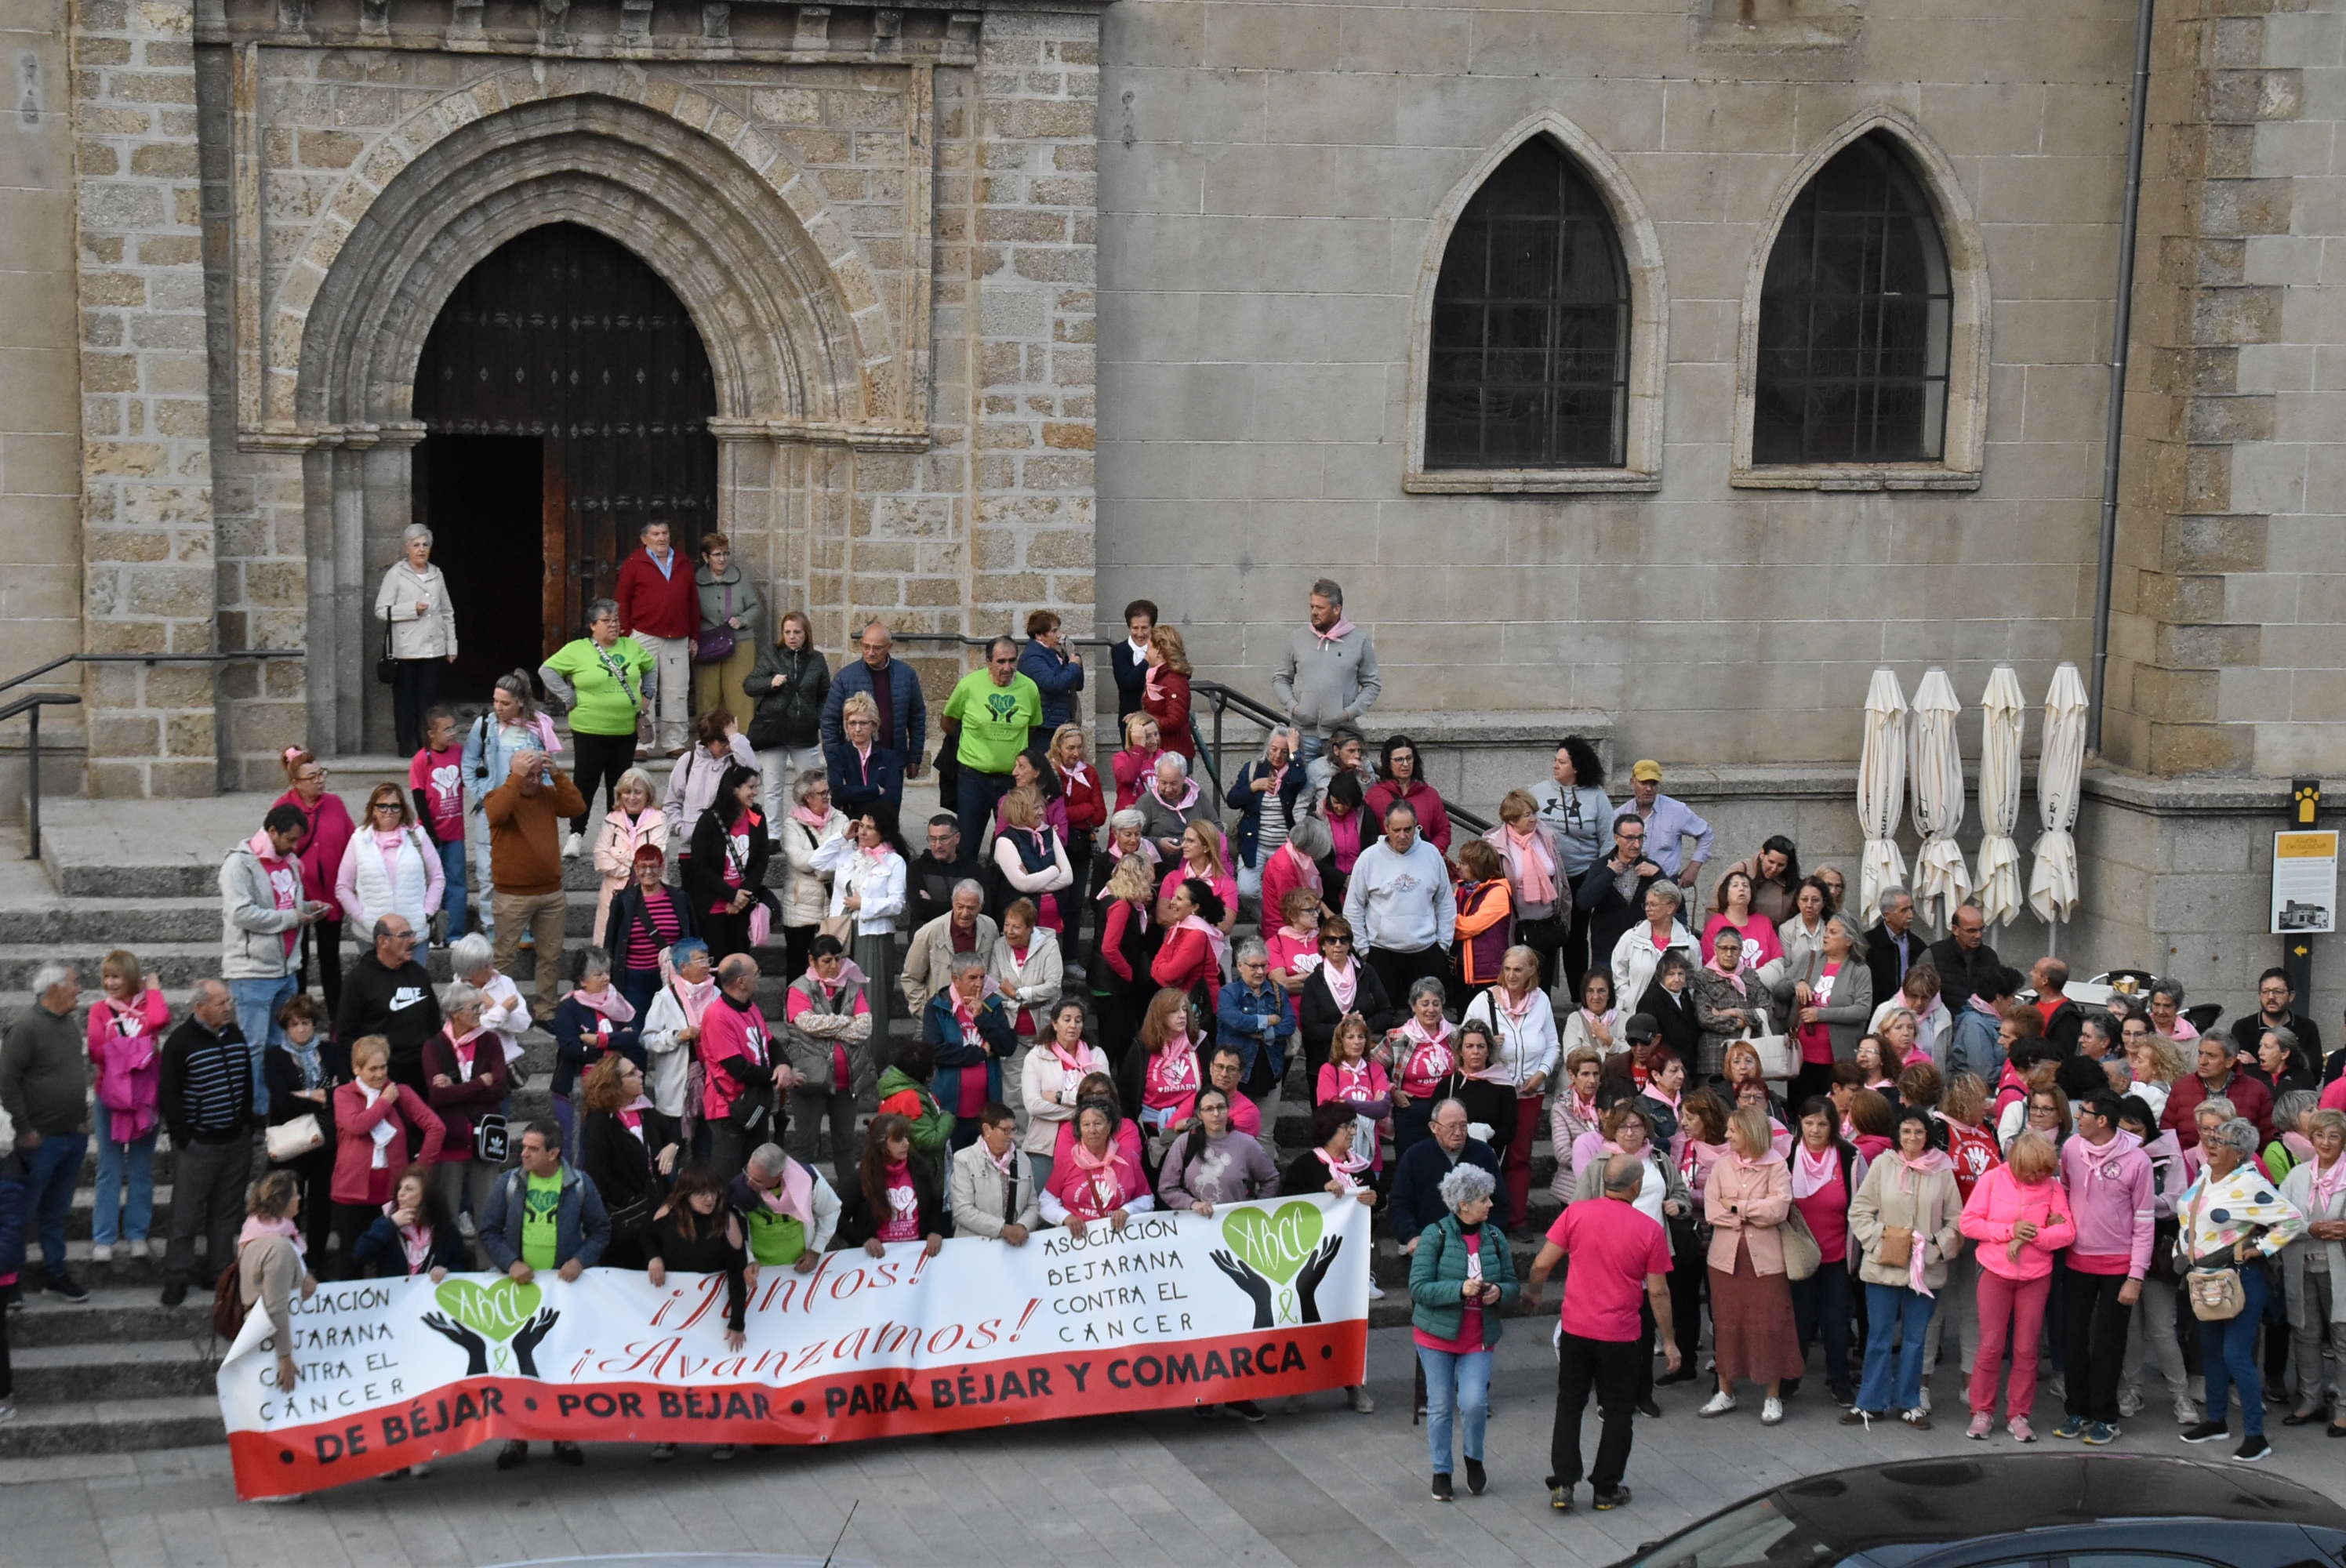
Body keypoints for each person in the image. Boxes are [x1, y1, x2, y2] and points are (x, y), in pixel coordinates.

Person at [1523, 1151, 1678, 1513]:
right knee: (1619, 1410)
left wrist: (1533, 1295)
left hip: (1577, 1329)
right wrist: (1669, 1341)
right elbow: (1657, 1291)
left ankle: (1563, 1483)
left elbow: (1542, 1264)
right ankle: (1606, 1488)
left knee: (1569, 1403)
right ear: (1636, 1186)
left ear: (1605, 1181)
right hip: (1621, 1336)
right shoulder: (1649, 1230)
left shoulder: (1576, 1214)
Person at [2176, 1116, 2307, 1461]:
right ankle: (2216, 1421)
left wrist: (2261, 1248)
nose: (2212, 1144)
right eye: (2212, 1138)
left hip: (2240, 1277)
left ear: (2240, 1152)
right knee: (2212, 1351)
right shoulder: (2206, 1174)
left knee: (2236, 1354)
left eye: (2222, 1142)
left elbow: (2293, 1218)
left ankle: (2255, 1435)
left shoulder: (2250, 1183)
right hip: (2206, 1278)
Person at [481, 1121, 612, 1470]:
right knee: (518, 1364)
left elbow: (601, 1229)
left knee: (561, 1360)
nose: (523, 1153)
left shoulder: (579, 1184)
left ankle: (563, 1434)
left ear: (553, 1153)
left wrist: (580, 1261)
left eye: (532, 1149)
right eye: (523, 1146)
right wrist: (510, 1263)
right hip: (519, 1291)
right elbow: (489, 1230)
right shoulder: (508, 1183)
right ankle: (517, 1437)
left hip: (562, 1293)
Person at [1401, 1162, 1516, 1501]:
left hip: (1478, 1336)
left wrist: (1499, 1292)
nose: (1491, 1205)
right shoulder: (1434, 1236)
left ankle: (1474, 1458)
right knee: (1439, 1406)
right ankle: (1441, 1471)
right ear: (1464, 1205)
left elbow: (1512, 1284)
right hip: (1436, 1337)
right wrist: (1458, 1290)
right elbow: (1418, 1287)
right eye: (1484, 1199)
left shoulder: (1495, 1237)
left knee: (1474, 1402)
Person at [1845, 1108, 1962, 1428]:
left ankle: (1909, 1402)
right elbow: (1859, 1212)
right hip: (1883, 1268)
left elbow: (1956, 1221)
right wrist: (1881, 1244)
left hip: (1924, 1270)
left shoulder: (1942, 1170)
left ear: (1929, 1136)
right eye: (1907, 1131)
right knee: (1879, 1337)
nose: (1912, 1138)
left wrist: (1934, 1247)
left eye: (1919, 1132)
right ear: (1898, 1133)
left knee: (1916, 1338)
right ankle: (1870, 1402)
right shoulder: (1883, 1164)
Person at [1959, 1127, 2077, 1441]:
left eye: (2044, 1170)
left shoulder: (2052, 1187)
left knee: (2027, 1349)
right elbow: (1968, 1223)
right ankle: (1982, 1411)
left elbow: (2067, 1233)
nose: (2039, 1176)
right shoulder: (1993, 1179)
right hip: (1995, 1272)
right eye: (2033, 1170)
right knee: (1990, 1345)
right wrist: (2011, 1230)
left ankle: (2019, 1414)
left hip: (2035, 1277)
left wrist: (2033, 1235)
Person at [2051, 1089, 2155, 1442]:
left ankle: (2106, 1417)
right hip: (2077, 1261)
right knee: (2074, 1340)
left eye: (2084, 1112)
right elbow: (2062, 1194)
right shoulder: (2070, 1149)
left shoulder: (2137, 1161)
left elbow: (2144, 1221)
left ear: (2102, 1121)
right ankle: (2076, 1410)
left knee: (2108, 1344)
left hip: (2118, 1268)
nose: (2077, 1116)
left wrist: (2136, 1276)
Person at [641, 1164, 751, 1461]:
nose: (709, 1200)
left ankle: (722, 1436)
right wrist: (654, 1258)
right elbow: (646, 1235)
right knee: (672, 1374)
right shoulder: (669, 1213)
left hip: (712, 1311)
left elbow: (736, 1273)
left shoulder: (728, 1220)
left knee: (714, 1376)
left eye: (714, 1193)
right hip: (674, 1312)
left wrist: (737, 1322)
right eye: (701, 1194)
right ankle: (670, 1435)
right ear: (686, 1195)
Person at [1701, 1103, 1800, 1425]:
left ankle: (1772, 1396)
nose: (1727, 1135)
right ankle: (1725, 1391)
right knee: (1727, 1324)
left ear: (1750, 1132)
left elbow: (1779, 1210)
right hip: (1724, 1261)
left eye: (1733, 1130)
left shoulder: (1777, 1166)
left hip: (1766, 1263)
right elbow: (1711, 1210)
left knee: (1770, 1325)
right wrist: (1752, 1211)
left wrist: (1738, 1208)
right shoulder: (1721, 1166)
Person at [223, 802, 325, 1113]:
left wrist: (307, 909)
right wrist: (293, 918)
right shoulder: (239, 865)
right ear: (271, 831)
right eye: (290, 840)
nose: (294, 847)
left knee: (279, 1046)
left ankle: (276, 1107)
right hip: (251, 972)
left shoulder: (290, 862)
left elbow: (283, 903)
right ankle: (252, 1111)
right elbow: (241, 913)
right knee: (252, 1048)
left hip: (286, 970)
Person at [538, 598, 653, 851]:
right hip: (590, 730)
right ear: (592, 625)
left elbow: (650, 666)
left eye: (616, 620)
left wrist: (648, 693)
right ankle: (576, 834)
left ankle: (618, 833)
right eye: (607, 621)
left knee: (622, 785)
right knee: (585, 783)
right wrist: (568, 697)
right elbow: (547, 671)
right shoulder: (577, 649)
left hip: (625, 729)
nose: (613, 625)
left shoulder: (631, 647)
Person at [330, 1034, 445, 1276]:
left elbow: (436, 1128)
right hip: (350, 1192)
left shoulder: (400, 1092)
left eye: (383, 1067)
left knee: (390, 1263)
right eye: (373, 1069)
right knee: (351, 1261)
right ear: (356, 1069)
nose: (380, 1074)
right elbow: (356, 1126)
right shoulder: (344, 1094)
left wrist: (418, 1172)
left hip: (391, 1193)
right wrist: (384, 1102)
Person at [484, 749, 586, 1011]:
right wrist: (516, 778)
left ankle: (546, 1011)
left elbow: (577, 807)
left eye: (539, 775)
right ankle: (495, 1010)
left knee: (550, 958)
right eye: (528, 775)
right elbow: (496, 814)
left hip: (551, 892)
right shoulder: (499, 796)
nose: (534, 781)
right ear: (514, 774)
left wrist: (557, 774)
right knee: (503, 958)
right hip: (512, 896)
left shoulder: (548, 795)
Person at [459, 673, 563, 935]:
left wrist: (545, 795)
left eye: (505, 703)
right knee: (487, 872)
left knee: (525, 868)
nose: (498, 707)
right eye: (496, 701)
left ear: (519, 702)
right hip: (493, 809)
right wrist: (482, 794)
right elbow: (469, 763)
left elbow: (548, 770)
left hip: (526, 811)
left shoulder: (538, 727)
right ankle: (491, 923)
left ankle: (524, 924)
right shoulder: (484, 725)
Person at [82, 951, 165, 1265]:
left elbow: (159, 1020)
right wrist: (139, 1050)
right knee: (109, 1168)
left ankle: (137, 1234)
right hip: (111, 1098)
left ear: (131, 977)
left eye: (116, 976)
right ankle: (103, 1237)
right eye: (107, 977)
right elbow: (96, 1050)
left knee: (142, 1169)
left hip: (146, 1097)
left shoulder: (147, 1005)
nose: (110, 983)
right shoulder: (99, 1010)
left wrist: (154, 990)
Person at [1462, 944, 1556, 1218]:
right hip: (1492, 1091)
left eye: (1518, 969)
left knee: (1520, 1156)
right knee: (1486, 1154)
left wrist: (1541, 1074)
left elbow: (1552, 1044)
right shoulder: (1484, 1001)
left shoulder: (1542, 1001)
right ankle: (1480, 1215)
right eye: (1507, 969)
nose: (1512, 975)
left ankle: (1516, 1217)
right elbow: (1463, 1041)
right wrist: (1489, 1044)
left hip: (1530, 1092)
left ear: (1531, 971)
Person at [779, 935, 873, 1190]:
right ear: (812, 960)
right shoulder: (799, 988)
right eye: (827, 960)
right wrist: (845, 1021)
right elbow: (807, 1023)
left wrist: (829, 1025)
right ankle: (800, 1200)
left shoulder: (852, 986)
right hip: (811, 1078)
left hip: (847, 1080)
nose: (834, 966)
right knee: (805, 1144)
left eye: (838, 959)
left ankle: (848, 1203)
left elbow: (865, 1028)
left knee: (845, 1144)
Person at [1786, 1097, 1860, 1406]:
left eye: (1822, 1123)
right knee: (1798, 1321)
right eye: (1809, 1123)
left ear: (1833, 1126)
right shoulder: (1786, 1157)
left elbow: (1863, 1204)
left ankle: (1839, 1380)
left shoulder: (1849, 1157)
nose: (1815, 1130)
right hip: (1799, 1255)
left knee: (1836, 1321)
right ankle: (1789, 1380)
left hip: (1836, 1256)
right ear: (1800, 1124)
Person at [2277, 1106, 2346, 1435]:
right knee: (2305, 1335)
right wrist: (2311, 1229)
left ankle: (2344, 1408)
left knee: (2343, 1338)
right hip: (2302, 1265)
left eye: (2334, 1136)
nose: (2326, 1142)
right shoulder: (2298, 1176)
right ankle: (2310, 1401)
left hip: (2340, 1268)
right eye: (2319, 1135)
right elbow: (2281, 1219)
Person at [423, 981, 514, 1228]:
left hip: (485, 1138)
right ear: (454, 1013)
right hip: (451, 1137)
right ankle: (446, 1264)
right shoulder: (434, 1047)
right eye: (473, 1008)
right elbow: (437, 1097)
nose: (479, 1012)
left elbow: (499, 1088)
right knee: (447, 1211)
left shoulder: (490, 1041)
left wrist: (454, 1086)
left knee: (488, 1210)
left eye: (479, 1007)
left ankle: (488, 1265)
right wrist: (478, 1083)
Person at [1346, 801, 1455, 1005]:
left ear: (1417, 827)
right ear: (1386, 828)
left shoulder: (1431, 854)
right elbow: (1353, 908)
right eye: (1397, 830)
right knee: (1386, 1019)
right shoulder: (1368, 858)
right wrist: (1363, 949)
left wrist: (1443, 944)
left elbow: (1446, 903)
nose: (1403, 835)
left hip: (1427, 951)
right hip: (1381, 953)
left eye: (1408, 829)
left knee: (1428, 1018)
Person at [235, 1171, 318, 1433]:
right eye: (295, 1193)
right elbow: (276, 1309)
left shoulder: (256, 1232)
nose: (299, 1197)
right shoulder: (279, 1247)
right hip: (275, 1343)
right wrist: (285, 1356)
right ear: (282, 1202)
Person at [275, 747, 354, 1019]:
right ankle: (300, 1017)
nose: (320, 780)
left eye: (321, 773)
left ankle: (337, 1018)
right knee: (300, 960)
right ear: (296, 782)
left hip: (330, 895)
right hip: (297, 897)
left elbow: (352, 841)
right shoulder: (283, 808)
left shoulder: (335, 804)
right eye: (312, 777)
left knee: (330, 959)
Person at [700, 953, 794, 1181]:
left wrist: (784, 1065)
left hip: (755, 1104)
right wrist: (776, 1075)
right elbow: (738, 1068)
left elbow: (770, 1042)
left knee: (756, 1177)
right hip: (729, 1108)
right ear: (741, 981)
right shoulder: (717, 1015)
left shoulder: (750, 1007)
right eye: (756, 973)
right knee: (729, 1178)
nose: (759, 976)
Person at [942, 636, 1044, 845]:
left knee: (1012, 841)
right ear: (988, 662)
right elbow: (948, 722)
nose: (1007, 667)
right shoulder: (969, 685)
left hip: (1013, 779)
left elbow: (1032, 728)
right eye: (1001, 661)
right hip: (973, 777)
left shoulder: (1029, 688)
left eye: (1012, 660)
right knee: (968, 841)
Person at [613, 518, 696, 758]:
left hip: (678, 636)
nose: (661, 538)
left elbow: (692, 601)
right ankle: (642, 743)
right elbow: (622, 600)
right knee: (642, 690)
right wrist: (626, 633)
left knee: (677, 691)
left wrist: (695, 635)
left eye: (665, 533)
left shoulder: (682, 562)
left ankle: (674, 743)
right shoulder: (634, 563)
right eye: (656, 534)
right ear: (644, 539)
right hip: (644, 635)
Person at [372, 522, 458, 755]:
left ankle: (427, 744)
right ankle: (407, 746)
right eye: (416, 545)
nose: (421, 549)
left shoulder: (437, 574)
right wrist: (412, 609)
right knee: (405, 700)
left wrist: (452, 645)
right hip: (405, 649)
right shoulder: (396, 574)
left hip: (433, 648)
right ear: (407, 549)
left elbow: (447, 612)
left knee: (429, 702)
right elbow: (381, 610)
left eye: (425, 545)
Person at [575, 1056, 666, 1269]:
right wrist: (635, 1201)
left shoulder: (645, 1111)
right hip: (626, 1219)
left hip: (654, 1209)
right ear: (615, 1084)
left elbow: (673, 1132)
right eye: (632, 1073)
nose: (641, 1074)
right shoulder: (599, 1122)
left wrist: (672, 1147)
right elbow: (598, 1175)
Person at [1272, 577, 1380, 757]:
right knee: (1304, 784)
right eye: (1312, 606)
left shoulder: (1359, 641)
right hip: (1302, 735)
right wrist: (1294, 708)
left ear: (1337, 609)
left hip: (1341, 738)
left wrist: (1348, 713)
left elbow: (1372, 684)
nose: (1314, 612)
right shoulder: (1297, 638)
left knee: (1341, 785)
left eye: (1320, 608)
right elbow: (1280, 678)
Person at [334, 914, 441, 1091]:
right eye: (404, 935)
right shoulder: (359, 980)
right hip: (383, 1078)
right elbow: (346, 1036)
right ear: (383, 941)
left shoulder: (418, 974)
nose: (413, 940)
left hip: (422, 1073)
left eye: (412, 934)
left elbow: (434, 1026)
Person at [263, 993, 336, 1259]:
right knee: (287, 1203)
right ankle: (287, 1259)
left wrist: (301, 1094)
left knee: (321, 1204)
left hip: (325, 1141)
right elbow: (281, 1102)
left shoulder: (329, 1051)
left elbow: (339, 1096)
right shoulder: (275, 1057)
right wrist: (316, 1095)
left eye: (306, 1022)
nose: (302, 1029)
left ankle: (316, 1260)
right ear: (286, 1028)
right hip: (290, 1142)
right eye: (295, 1024)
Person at [1774, 912, 1873, 1105]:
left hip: (1838, 1059)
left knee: (1834, 1112)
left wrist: (1821, 1014)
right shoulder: (1808, 958)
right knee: (1800, 1111)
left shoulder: (1860, 970)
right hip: (1801, 1056)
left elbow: (1862, 1010)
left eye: (1833, 932)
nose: (1826, 935)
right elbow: (1778, 991)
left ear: (1849, 941)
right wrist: (1797, 983)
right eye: (1826, 931)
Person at [743, 608, 832, 825]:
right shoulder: (771, 654)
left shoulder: (816, 659)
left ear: (806, 634)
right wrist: (770, 683)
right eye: (788, 632)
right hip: (775, 731)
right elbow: (749, 685)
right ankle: (773, 832)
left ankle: (812, 825)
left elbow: (826, 694)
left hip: (804, 732)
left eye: (797, 632)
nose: (792, 637)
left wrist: (816, 719)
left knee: (811, 785)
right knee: (773, 786)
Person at [924, 951, 1016, 1154]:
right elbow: (935, 1052)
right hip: (949, 1109)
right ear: (955, 979)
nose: (979, 983)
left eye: (982, 977)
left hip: (986, 1111)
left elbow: (1008, 1046)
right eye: (972, 978)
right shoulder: (937, 1006)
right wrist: (980, 1054)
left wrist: (982, 1019)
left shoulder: (992, 1004)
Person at [681, 762, 772, 966]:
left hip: (743, 903)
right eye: (750, 787)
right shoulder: (710, 820)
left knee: (741, 963)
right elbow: (699, 865)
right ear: (734, 789)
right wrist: (730, 895)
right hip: (714, 904)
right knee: (719, 963)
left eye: (756, 787)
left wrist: (743, 895)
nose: (755, 792)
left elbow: (761, 859)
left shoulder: (757, 817)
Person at [335, 781, 445, 940]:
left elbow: (437, 877)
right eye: (382, 806)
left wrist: (426, 912)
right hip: (372, 934)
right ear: (373, 809)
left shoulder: (418, 835)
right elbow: (343, 886)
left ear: (402, 810)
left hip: (413, 932)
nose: (389, 811)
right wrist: (363, 918)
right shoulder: (358, 839)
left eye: (395, 806)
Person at [1391, 1097, 1507, 1244]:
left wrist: (1491, 1234)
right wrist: (1411, 1236)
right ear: (1434, 1127)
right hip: (1429, 1242)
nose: (1458, 1132)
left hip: (1477, 1242)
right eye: (1451, 1126)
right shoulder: (1415, 1156)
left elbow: (1500, 1201)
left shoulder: (1483, 1153)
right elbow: (1400, 1202)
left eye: (1463, 1125)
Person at [664, 709, 764, 873]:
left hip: (727, 844)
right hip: (690, 847)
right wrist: (681, 829)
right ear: (709, 740)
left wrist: (736, 738)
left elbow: (754, 772)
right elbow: (672, 802)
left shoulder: (735, 761)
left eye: (729, 741)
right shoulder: (687, 761)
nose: (727, 746)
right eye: (722, 741)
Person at [822, 620, 927, 776]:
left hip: (893, 757)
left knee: (890, 800)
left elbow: (917, 717)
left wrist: (914, 757)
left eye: (877, 648)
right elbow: (829, 722)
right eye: (866, 646)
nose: (870, 652)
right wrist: (836, 760)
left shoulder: (906, 675)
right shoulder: (845, 677)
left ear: (889, 647)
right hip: (856, 761)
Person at [601, 846, 692, 1023]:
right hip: (634, 978)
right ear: (635, 869)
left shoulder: (680, 898)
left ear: (662, 868)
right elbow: (611, 942)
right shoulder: (623, 900)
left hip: (672, 977)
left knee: (673, 1028)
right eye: (643, 867)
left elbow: (690, 937)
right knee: (635, 1030)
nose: (648, 871)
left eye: (653, 866)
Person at [1157, 1084, 1277, 1220]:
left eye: (1221, 1107)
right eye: (1209, 1109)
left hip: (1236, 1224)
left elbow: (1270, 1179)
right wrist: (1192, 1204)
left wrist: (1257, 1210)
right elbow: (1166, 1187)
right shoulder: (1185, 1143)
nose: (1216, 1114)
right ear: (1199, 1114)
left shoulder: (1247, 1144)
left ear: (1228, 1109)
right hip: (1193, 1225)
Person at [839, 1112, 951, 1255]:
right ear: (881, 1144)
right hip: (879, 1258)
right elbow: (836, 1216)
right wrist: (864, 1240)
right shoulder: (862, 1177)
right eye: (899, 1140)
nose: (906, 1143)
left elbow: (935, 1204)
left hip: (917, 1253)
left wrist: (935, 1231)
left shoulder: (919, 1168)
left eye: (906, 1137)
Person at [774, 771, 848, 979]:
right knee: (798, 967)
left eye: (828, 791)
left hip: (830, 907)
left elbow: (846, 857)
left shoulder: (840, 819)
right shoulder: (791, 824)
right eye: (821, 793)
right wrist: (827, 863)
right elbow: (798, 860)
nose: (827, 796)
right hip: (800, 909)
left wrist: (818, 866)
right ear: (807, 797)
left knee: (830, 968)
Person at [641, 938, 716, 1145]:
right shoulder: (665, 997)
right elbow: (648, 1039)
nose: (706, 965)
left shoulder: (716, 994)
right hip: (676, 1086)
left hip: (711, 1083)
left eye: (707, 959)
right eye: (700, 961)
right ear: (683, 967)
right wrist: (678, 1036)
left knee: (706, 1149)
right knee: (674, 1148)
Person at [729, 1139, 840, 1275]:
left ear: (778, 1177)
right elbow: (733, 1228)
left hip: (798, 1267)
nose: (749, 1182)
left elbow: (831, 1210)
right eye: (747, 1173)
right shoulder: (739, 1188)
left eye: (758, 1180)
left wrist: (816, 1250)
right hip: (759, 1271)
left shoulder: (807, 1179)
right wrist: (748, 1260)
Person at [1227, 725, 1306, 912]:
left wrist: (1294, 751)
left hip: (1284, 846)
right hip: (1255, 843)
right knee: (1247, 890)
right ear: (1267, 747)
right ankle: (1267, 919)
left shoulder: (1294, 770)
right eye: (1274, 749)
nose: (1278, 755)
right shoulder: (1254, 769)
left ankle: (1276, 925)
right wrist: (1252, 787)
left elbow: (1299, 781)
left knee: (1286, 894)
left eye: (1284, 751)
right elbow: (1232, 800)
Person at [1092, 854, 1161, 1062]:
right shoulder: (1121, 906)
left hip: (1107, 980)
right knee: (1116, 1041)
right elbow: (1110, 948)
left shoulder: (1111, 897)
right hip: (1111, 984)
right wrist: (1129, 974)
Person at [350, 1163, 471, 1281]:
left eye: (409, 1189)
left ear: (426, 1194)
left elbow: (461, 1262)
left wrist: (447, 1271)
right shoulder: (386, 1222)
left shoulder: (444, 1228)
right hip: (396, 1296)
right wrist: (391, 1224)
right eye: (400, 1188)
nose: (401, 1194)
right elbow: (361, 1254)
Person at [691, 532, 764, 722]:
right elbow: (688, 612)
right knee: (708, 694)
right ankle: (709, 740)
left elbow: (756, 607)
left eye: (725, 553)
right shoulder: (695, 582)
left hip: (740, 641)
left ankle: (742, 739)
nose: (722, 559)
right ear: (706, 557)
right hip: (708, 643)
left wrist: (742, 619)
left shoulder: (740, 580)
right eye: (717, 554)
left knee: (739, 692)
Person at [588, 768, 667, 945]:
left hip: (650, 892)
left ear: (648, 794)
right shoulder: (611, 819)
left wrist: (616, 853)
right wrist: (631, 868)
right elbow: (600, 857)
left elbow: (654, 856)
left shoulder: (659, 818)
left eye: (638, 792)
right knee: (609, 946)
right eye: (627, 792)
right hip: (614, 893)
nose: (632, 797)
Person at [950, 1102, 1043, 1243]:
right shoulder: (964, 1159)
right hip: (974, 1246)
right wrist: (1003, 1229)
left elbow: (1033, 1204)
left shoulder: (1023, 1159)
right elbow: (962, 1210)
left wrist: (1022, 1227)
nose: (1011, 1136)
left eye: (1013, 1130)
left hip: (1014, 1246)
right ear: (987, 1129)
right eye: (1005, 1130)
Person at [1691, 923, 1773, 1083]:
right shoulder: (1702, 978)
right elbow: (1705, 1017)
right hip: (1714, 1056)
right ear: (1715, 949)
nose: (1729, 953)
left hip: (1746, 1056)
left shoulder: (1751, 977)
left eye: (1734, 949)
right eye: (1724, 948)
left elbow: (1766, 1011)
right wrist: (1740, 1022)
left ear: (1741, 951)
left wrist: (1734, 1013)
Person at [2166, 1031, 2276, 1149]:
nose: (2202, 1061)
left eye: (2211, 1056)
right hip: (2189, 1164)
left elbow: (2267, 1140)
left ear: (2230, 1061)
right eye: (2200, 1053)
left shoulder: (2256, 1091)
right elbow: (2167, 1137)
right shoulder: (2182, 1087)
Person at [1611, 880, 1695, 1022]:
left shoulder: (1689, 943)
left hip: (1675, 1019)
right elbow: (1618, 972)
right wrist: (1627, 999)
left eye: (1653, 904)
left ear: (1670, 908)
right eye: (1646, 904)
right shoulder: (1631, 938)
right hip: (1635, 1015)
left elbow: (1693, 981)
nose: (1648, 909)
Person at [1618, 760, 1711, 889]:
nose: (1649, 788)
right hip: (1630, 887)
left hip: (1666, 884)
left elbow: (1706, 833)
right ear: (1632, 782)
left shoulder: (1676, 810)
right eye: (1643, 783)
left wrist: (1694, 867)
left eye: (1654, 783)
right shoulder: (1620, 814)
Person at [993, 789, 1073, 935]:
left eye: (1042, 807)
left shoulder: (1049, 832)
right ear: (1020, 810)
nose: (1042, 812)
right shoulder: (1005, 841)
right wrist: (1055, 871)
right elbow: (1023, 884)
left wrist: (1033, 881)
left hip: (1054, 921)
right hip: (1021, 925)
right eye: (1036, 808)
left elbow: (1068, 877)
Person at [1149, 876, 1228, 1012]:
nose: (1171, 903)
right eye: (1173, 897)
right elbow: (1159, 972)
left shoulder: (1198, 935)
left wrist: (1159, 967)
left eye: (1179, 899)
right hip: (1184, 1004)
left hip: (1200, 1008)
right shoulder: (1179, 929)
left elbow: (1169, 975)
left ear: (1195, 907)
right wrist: (1161, 968)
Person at [824, 690, 905, 822]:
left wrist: (852, 793)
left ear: (873, 725)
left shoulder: (889, 757)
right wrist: (875, 790)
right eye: (852, 723)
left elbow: (893, 798)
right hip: (848, 824)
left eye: (863, 723)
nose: (857, 729)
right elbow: (838, 794)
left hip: (880, 825)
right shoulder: (837, 756)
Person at [2233, 967, 2326, 1076]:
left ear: (2291, 996)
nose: (2271, 997)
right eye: (2266, 991)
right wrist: (2290, 1066)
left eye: (2278, 992)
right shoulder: (2243, 1027)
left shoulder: (2307, 1027)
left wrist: (2256, 1066)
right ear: (2259, 995)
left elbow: (2314, 1074)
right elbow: (2239, 1073)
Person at [1703, 869, 1785, 974]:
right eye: (1735, 885)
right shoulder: (1715, 925)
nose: (1741, 889)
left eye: (1746, 886)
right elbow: (1708, 962)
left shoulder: (1764, 923)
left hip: (1762, 984)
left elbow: (1777, 960)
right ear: (1725, 893)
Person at [1925, 902, 2000, 1013]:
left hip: (1980, 1022)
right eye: (1971, 931)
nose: (1978, 935)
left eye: (1981, 929)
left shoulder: (1990, 956)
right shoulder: (1934, 954)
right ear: (1955, 930)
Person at [1722, 836, 1804, 927]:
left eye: (1781, 865)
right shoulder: (1741, 870)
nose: (1774, 869)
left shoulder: (1791, 881)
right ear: (1762, 854)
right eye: (1771, 862)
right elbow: (1715, 906)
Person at [1141, 623, 1195, 758]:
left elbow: (1175, 720)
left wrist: (1144, 720)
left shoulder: (1174, 679)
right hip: (1162, 752)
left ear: (1159, 650)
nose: (1146, 654)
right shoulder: (1159, 676)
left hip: (1173, 756)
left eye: (1149, 648)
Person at [1864, 886, 1922, 1004]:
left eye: (1911, 908)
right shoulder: (1867, 944)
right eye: (1904, 910)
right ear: (1887, 915)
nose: (1911, 915)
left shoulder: (1918, 945)